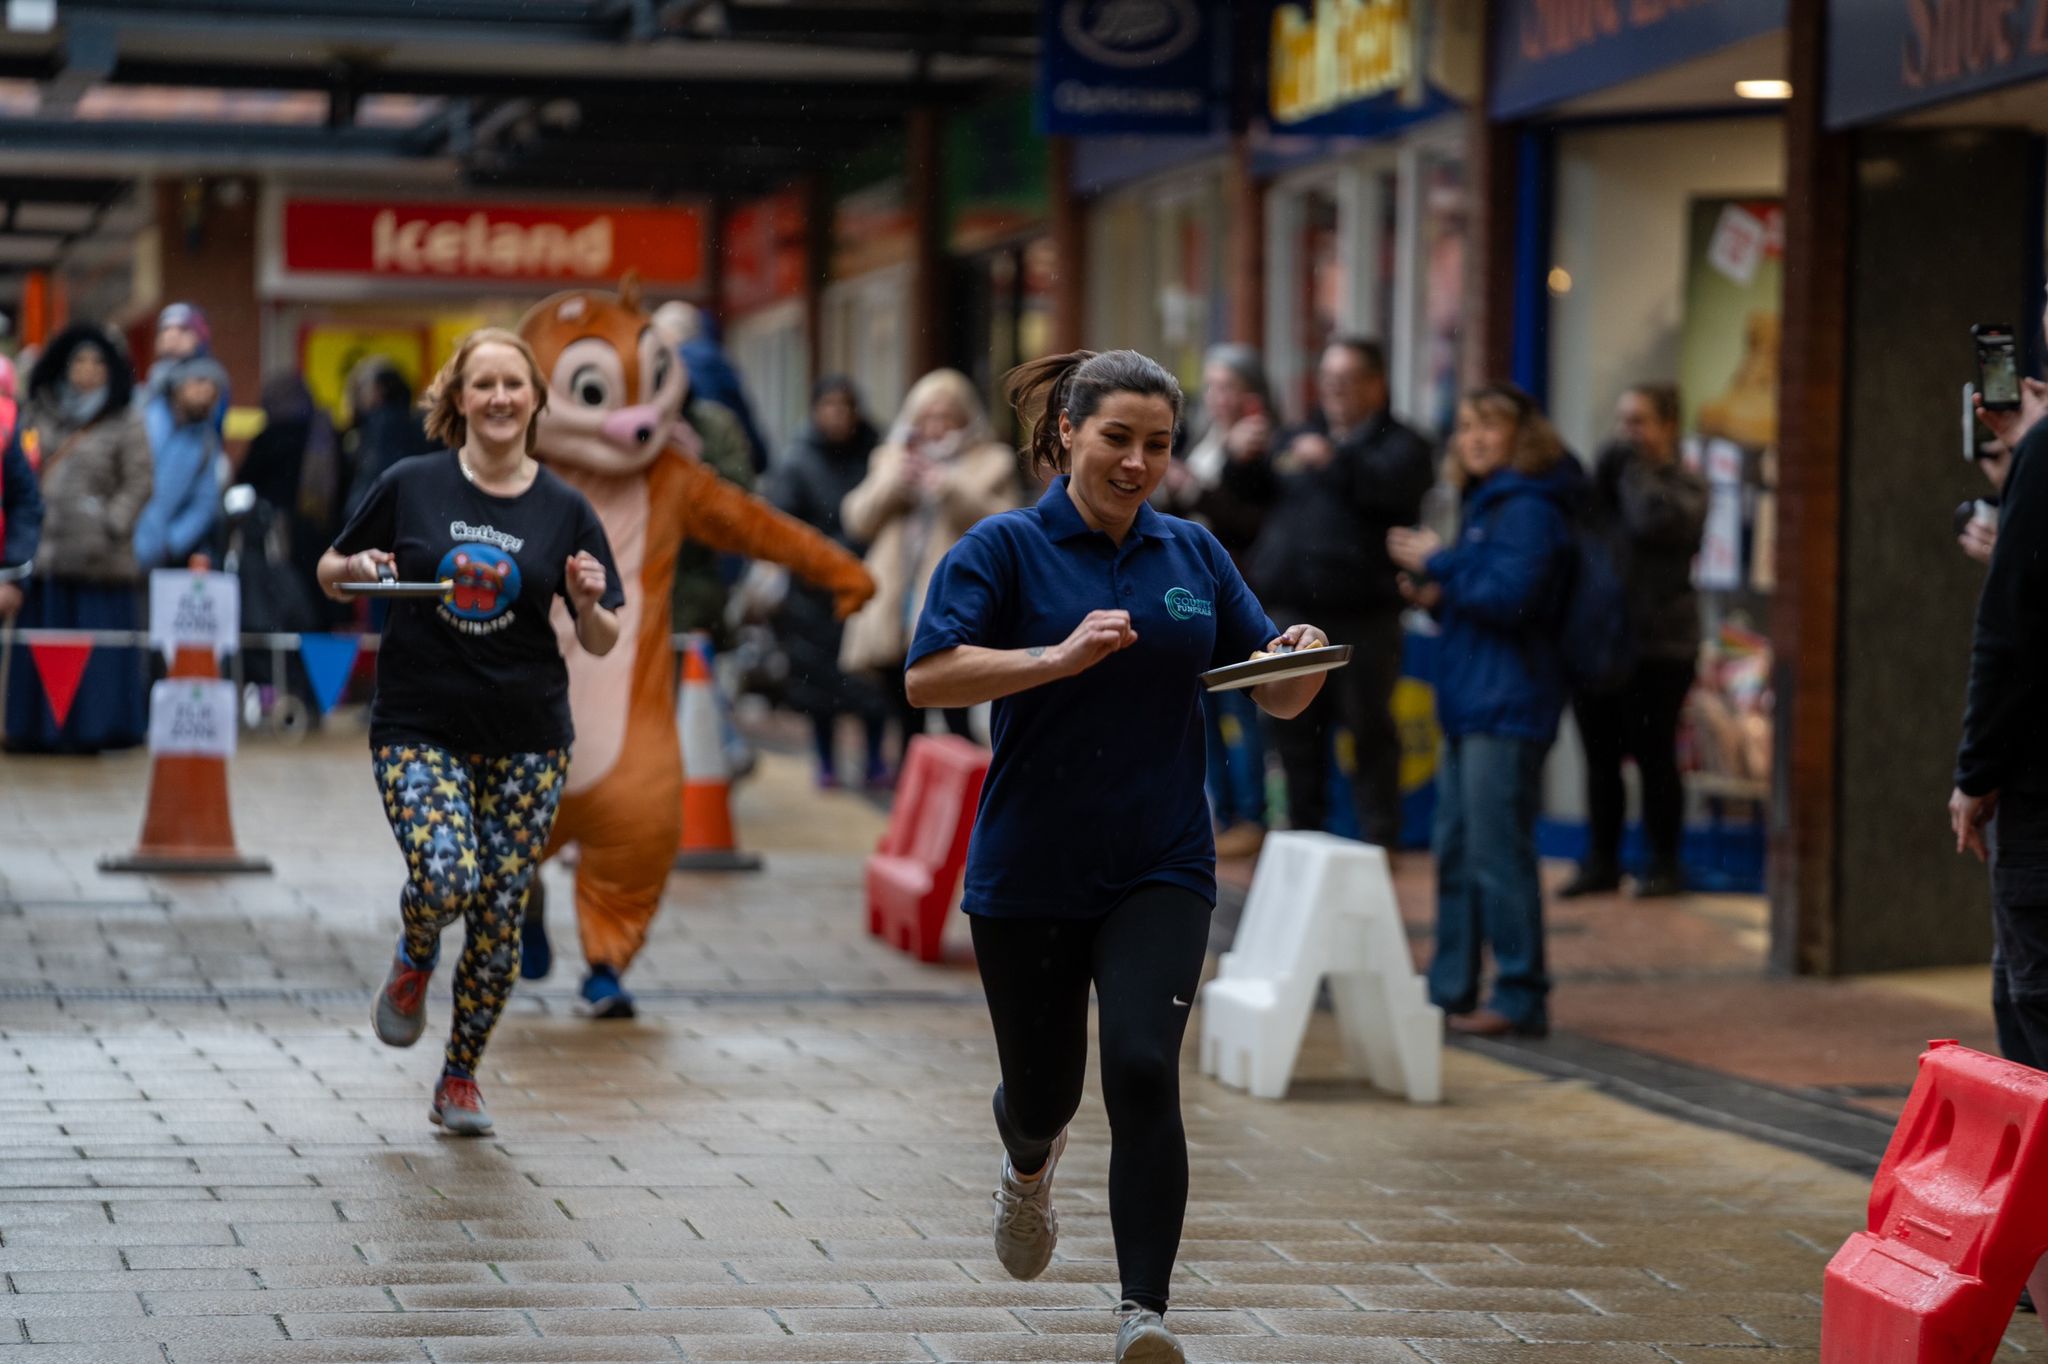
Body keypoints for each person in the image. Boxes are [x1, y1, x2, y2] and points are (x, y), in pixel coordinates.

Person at [907, 349, 1326, 1364]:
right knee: (1046, 1092)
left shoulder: (1190, 551)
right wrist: (1052, 659)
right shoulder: (1001, 548)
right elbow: (928, 676)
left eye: (1158, 443)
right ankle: (1025, 1159)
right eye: (1117, 439)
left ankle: (1144, 1310)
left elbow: (1267, 686)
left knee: (1142, 1065)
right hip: (1029, 865)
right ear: (1063, 435)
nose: (1139, 462)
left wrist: (1292, 663)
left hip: (1160, 858)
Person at [318, 328, 623, 1135]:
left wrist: (590, 603)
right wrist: (360, 570)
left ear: (535, 399)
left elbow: (604, 635)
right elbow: (330, 564)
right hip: (420, 725)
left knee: (497, 915)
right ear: (456, 398)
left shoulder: (565, 508)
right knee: (449, 874)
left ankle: (459, 1077)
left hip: (528, 739)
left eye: (512, 385)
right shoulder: (412, 483)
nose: (498, 399)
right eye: (481, 384)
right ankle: (416, 951)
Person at [1389, 384, 1579, 1039]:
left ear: (1520, 436)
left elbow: (1516, 598)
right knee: (1456, 849)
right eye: (1465, 425)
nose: (1472, 437)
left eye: (1488, 426)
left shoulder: (1528, 507)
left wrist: (1440, 561)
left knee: (1498, 854)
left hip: (1509, 702)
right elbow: (1485, 598)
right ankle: (1450, 989)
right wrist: (1436, 596)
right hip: (1473, 698)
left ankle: (1522, 995)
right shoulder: (1487, 504)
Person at [1226, 337, 1434, 848]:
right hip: (1293, 614)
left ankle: (1378, 842)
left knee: (1369, 733)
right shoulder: (1299, 435)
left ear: (1376, 384)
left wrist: (1334, 461)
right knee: (1293, 733)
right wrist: (1243, 460)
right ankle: (1301, 838)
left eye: (1347, 379)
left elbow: (1394, 491)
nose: (1334, 390)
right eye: (1328, 379)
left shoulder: (1402, 443)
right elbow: (1249, 501)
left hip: (1365, 617)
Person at [1558, 384, 1708, 900]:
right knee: (1600, 759)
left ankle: (1663, 864)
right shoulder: (1607, 485)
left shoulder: (1685, 486)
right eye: (1622, 421)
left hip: (1660, 649)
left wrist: (1634, 472)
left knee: (1653, 757)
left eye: (1640, 421)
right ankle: (1602, 860)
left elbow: (1652, 520)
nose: (1627, 434)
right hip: (1598, 644)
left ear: (1669, 426)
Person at [841, 368, 1016, 763]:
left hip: (954, 598)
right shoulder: (891, 456)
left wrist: (948, 488)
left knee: (956, 714)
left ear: (965, 416)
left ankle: (964, 802)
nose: (936, 426)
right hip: (894, 599)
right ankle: (913, 803)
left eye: (946, 416)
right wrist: (894, 484)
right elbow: (856, 519)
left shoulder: (992, 460)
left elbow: (1004, 523)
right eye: (927, 416)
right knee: (903, 711)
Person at [3, 325, 153, 753]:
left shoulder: (127, 418)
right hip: (46, 556)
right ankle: (39, 730)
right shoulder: (39, 414)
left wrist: (111, 523)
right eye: (79, 363)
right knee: (45, 650)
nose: (87, 371)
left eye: (97, 363)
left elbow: (140, 481)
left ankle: (98, 730)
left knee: (95, 656)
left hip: (99, 561)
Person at [1159, 344, 1276, 859]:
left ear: (1251, 394)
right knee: (1200, 702)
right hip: (1193, 587)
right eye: (1211, 385)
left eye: (1227, 385)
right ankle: (1223, 812)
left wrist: (1193, 488)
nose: (1217, 395)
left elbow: (1248, 519)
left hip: (1235, 586)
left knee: (1240, 702)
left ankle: (1249, 815)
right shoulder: (1204, 435)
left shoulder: (1252, 443)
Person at [766, 375, 889, 788]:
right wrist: (824, 556)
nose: (838, 414)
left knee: (871, 683)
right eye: (830, 405)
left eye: (845, 405)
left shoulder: (876, 453)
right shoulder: (798, 461)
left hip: (870, 582)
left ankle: (874, 762)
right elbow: (782, 522)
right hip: (815, 591)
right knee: (819, 687)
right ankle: (826, 762)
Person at [652, 300, 769, 474]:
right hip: (726, 456)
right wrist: (759, 457)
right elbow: (742, 411)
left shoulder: (663, 365)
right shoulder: (719, 360)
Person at [135, 355, 228, 571]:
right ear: (178, 386)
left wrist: (170, 543)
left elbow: (204, 503)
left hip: (154, 557)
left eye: (212, 387)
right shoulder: (141, 418)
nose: (205, 392)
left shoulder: (206, 443)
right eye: (199, 382)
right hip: (112, 549)